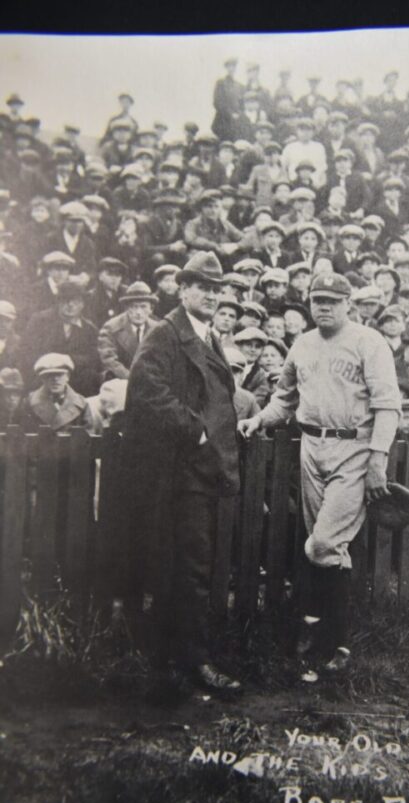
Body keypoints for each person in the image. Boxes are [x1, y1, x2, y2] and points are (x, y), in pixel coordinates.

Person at [239, 272, 401, 682]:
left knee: (324, 542)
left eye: (332, 300)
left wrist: (377, 459)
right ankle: (332, 640)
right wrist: (259, 419)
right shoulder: (302, 344)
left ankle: (321, 629)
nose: (324, 307)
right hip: (311, 447)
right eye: (317, 300)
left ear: (348, 303)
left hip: (354, 447)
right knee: (329, 547)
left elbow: (387, 405)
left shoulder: (369, 341)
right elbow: (285, 399)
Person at [121, 250, 242, 694]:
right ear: (182, 288)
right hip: (176, 471)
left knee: (191, 562)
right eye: (201, 287)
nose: (210, 295)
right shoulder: (165, 334)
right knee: (187, 564)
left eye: (216, 289)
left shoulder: (207, 336)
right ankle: (189, 662)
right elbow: (146, 391)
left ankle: (177, 659)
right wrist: (196, 431)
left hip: (202, 470)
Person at [98, 281, 159, 380]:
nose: (138, 312)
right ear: (126, 308)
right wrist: (132, 379)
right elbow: (109, 360)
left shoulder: (157, 329)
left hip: (150, 379)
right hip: (121, 379)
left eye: (143, 307)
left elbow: (161, 359)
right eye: (134, 307)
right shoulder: (111, 328)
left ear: (151, 309)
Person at [21, 353, 92, 432]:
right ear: (42, 379)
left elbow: (88, 439)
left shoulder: (81, 404)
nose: (55, 379)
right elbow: (25, 436)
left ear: (67, 376)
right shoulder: (29, 403)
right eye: (49, 375)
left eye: (59, 374)